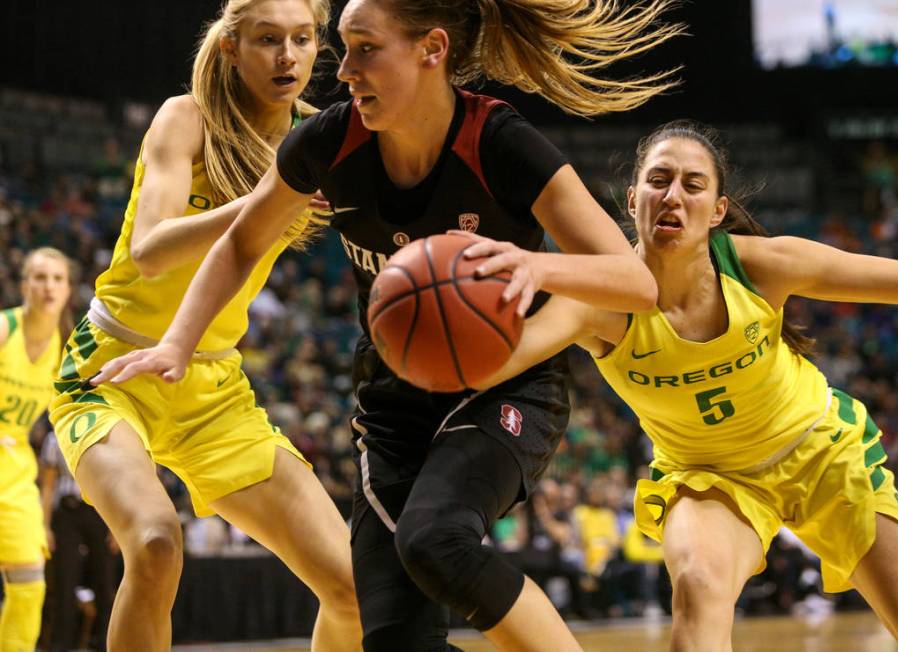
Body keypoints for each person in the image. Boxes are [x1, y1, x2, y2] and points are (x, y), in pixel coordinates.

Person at [90, 1, 684, 649]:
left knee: (433, 541)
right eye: (341, 49)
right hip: (393, 405)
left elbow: (636, 283)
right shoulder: (328, 141)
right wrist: (177, 343)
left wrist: (534, 267)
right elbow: (239, 241)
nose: (342, 70)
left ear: (430, 49)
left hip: (503, 388)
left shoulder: (498, 142)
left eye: (364, 49)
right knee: (392, 636)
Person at [461, 120, 898, 649]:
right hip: (709, 478)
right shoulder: (600, 302)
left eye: (692, 184)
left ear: (718, 210)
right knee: (699, 587)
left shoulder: (763, 267)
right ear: (633, 198)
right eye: (659, 180)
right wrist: (425, 344)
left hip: (821, 453)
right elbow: (496, 362)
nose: (672, 196)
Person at [47, 1, 361, 650]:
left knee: (354, 589)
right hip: (111, 370)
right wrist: (274, 195)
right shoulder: (183, 117)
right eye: (267, 39)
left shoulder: (323, 136)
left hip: (214, 387)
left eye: (302, 39)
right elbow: (151, 247)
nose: (287, 56)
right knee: (156, 544)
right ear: (230, 47)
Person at [0, 248, 72, 652]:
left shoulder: (62, 352)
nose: (48, 286)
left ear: (67, 289)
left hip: (15, 475)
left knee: (29, 586)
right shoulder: (4, 329)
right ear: (24, 284)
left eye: (57, 279)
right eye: (40, 277)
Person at [39, 431, 119, 652]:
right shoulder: (54, 437)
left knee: (104, 582)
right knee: (64, 582)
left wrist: (117, 527)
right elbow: (48, 486)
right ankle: (60, 646)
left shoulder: (106, 431)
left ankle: (104, 644)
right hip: (66, 513)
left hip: (101, 512)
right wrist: (44, 526)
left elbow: (115, 483)